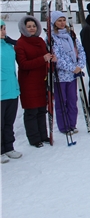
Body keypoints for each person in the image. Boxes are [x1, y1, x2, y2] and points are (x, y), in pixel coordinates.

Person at [15, 15, 54, 147]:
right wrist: (42, 59)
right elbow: (23, 64)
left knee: (42, 109)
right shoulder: (20, 44)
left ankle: (43, 135)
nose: (32, 29)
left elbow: (45, 57)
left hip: (41, 80)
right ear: (23, 28)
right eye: (29, 26)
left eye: (33, 26)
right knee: (32, 111)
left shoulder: (40, 41)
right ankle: (34, 138)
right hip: (29, 81)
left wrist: (50, 59)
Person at [50, 11, 86, 133]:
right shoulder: (52, 38)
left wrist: (80, 65)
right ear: (54, 22)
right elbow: (57, 57)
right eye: (59, 20)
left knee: (72, 100)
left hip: (73, 75)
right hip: (60, 76)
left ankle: (72, 124)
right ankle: (64, 126)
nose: (62, 23)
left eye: (63, 20)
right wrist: (71, 67)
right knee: (62, 102)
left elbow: (80, 50)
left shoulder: (71, 35)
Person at [1, 19, 22, 163]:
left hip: (11, 89)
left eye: (4, 28)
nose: (4, 31)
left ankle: (8, 147)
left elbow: (21, 47)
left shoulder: (8, 45)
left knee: (9, 121)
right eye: (1, 29)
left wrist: (12, 41)